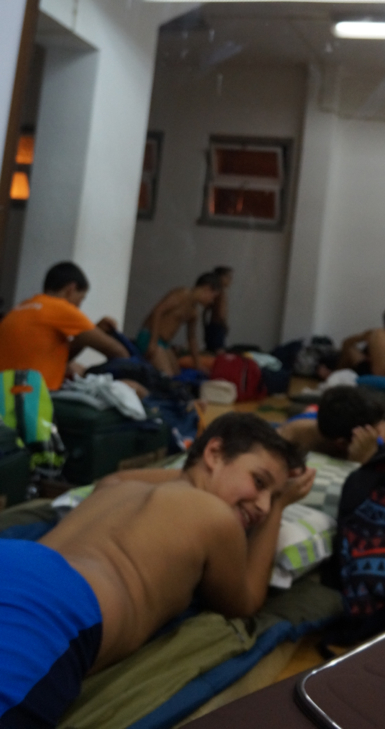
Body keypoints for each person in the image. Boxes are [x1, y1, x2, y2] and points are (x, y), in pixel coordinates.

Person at [0, 412, 314, 727]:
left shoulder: (116, 487)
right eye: (259, 482)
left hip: (15, 559)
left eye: (272, 497)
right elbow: (247, 602)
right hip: (54, 604)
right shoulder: (217, 517)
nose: (263, 506)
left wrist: (200, 469)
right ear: (214, 453)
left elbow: (155, 476)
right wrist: (282, 505)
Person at [0, 262, 129, 391]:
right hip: (34, 396)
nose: (79, 306)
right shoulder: (59, 308)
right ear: (70, 289)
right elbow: (119, 352)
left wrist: (94, 332)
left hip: (6, 394)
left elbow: (57, 356)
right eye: (81, 299)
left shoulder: (20, 308)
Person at [279, 385, 385, 458]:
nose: (379, 431)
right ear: (342, 443)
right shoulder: (294, 433)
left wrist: (365, 460)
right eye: (374, 430)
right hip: (312, 419)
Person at [136, 273, 220, 375]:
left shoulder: (193, 312)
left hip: (164, 343)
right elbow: (157, 311)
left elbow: (192, 338)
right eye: (213, 297)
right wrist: (152, 342)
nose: (212, 301)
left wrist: (198, 364)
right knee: (168, 376)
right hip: (150, 336)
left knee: (177, 373)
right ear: (207, 289)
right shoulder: (182, 294)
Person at [338, 306, 385, 379]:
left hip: (372, 376)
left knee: (350, 349)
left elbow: (346, 342)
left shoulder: (373, 333)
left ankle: (338, 374)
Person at [204, 266, 233, 352]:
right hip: (217, 326)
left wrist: (206, 326)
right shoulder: (220, 293)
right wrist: (224, 324)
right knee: (219, 352)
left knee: (212, 350)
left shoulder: (215, 293)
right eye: (228, 277)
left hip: (213, 326)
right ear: (220, 277)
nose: (230, 280)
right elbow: (221, 313)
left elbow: (205, 312)